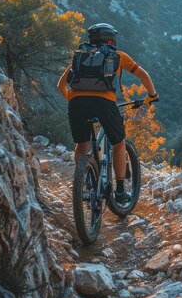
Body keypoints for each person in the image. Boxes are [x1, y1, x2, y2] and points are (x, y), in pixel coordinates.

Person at [57, 23, 158, 203]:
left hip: (76, 104)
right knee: (118, 143)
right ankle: (119, 191)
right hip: (104, 103)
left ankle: (83, 183)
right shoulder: (118, 55)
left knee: (82, 144)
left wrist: (74, 100)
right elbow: (143, 75)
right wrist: (152, 96)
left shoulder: (79, 56)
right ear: (111, 40)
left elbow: (60, 85)